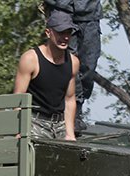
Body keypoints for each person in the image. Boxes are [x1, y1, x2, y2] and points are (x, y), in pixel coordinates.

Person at [13, 10, 80, 140]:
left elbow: (70, 99)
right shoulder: (31, 59)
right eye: (60, 32)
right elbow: (18, 98)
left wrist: (70, 133)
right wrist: (18, 129)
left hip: (60, 125)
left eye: (68, 33)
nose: (65, 37)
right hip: (34, 123)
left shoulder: (73, 62)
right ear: (48, 33)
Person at [43, 1, 102, 132]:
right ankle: (73, 113)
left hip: (90, 13)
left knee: (89, 66)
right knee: (67, 63)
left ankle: (77, 108)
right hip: (62, 10)